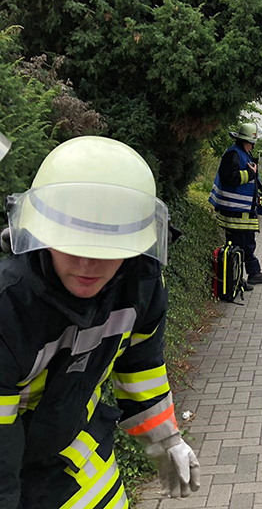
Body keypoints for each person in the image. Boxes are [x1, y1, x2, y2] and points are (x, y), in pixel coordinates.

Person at [0, 136, 200, 507]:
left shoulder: (140, 285)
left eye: (108, 248)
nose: (88, 265)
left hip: (77, 450)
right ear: (42, 231)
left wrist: (166, 440)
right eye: (73, 243)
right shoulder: (8, 307)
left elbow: (141, 369)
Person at [209, 123, 262, 289]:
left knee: (247, 244)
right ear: (247, 140)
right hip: (235, 211)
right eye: (253, 141)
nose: (254, 144)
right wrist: (251, 173)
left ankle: (252, 274)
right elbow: (230, 177)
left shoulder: (243, 153)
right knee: (238, 246)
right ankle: (237, 281)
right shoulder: (233, 154)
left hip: (243, 211)